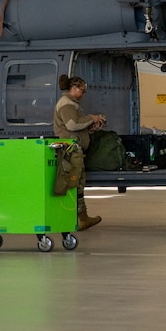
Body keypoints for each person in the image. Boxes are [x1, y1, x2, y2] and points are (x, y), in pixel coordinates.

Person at [53, 74, 106, 231]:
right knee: (75, 182)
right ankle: (79, 217)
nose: (83, 94)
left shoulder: (71, 104)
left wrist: (90, 127)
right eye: (81, 91)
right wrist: (92, 118)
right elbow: (72, 124)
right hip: (71, 149)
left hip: (74, 148)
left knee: (78, 182)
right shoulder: (67, 104)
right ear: (74, 89)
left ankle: (81, 216)